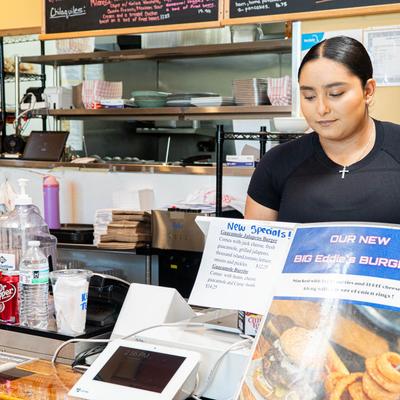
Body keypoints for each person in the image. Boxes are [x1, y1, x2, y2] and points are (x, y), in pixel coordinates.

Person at [245, 35, 400, 224]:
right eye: (309, 96)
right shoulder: (276, 163)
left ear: (368, 91)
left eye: (336, 94)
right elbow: (256, 248)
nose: (321, 109)